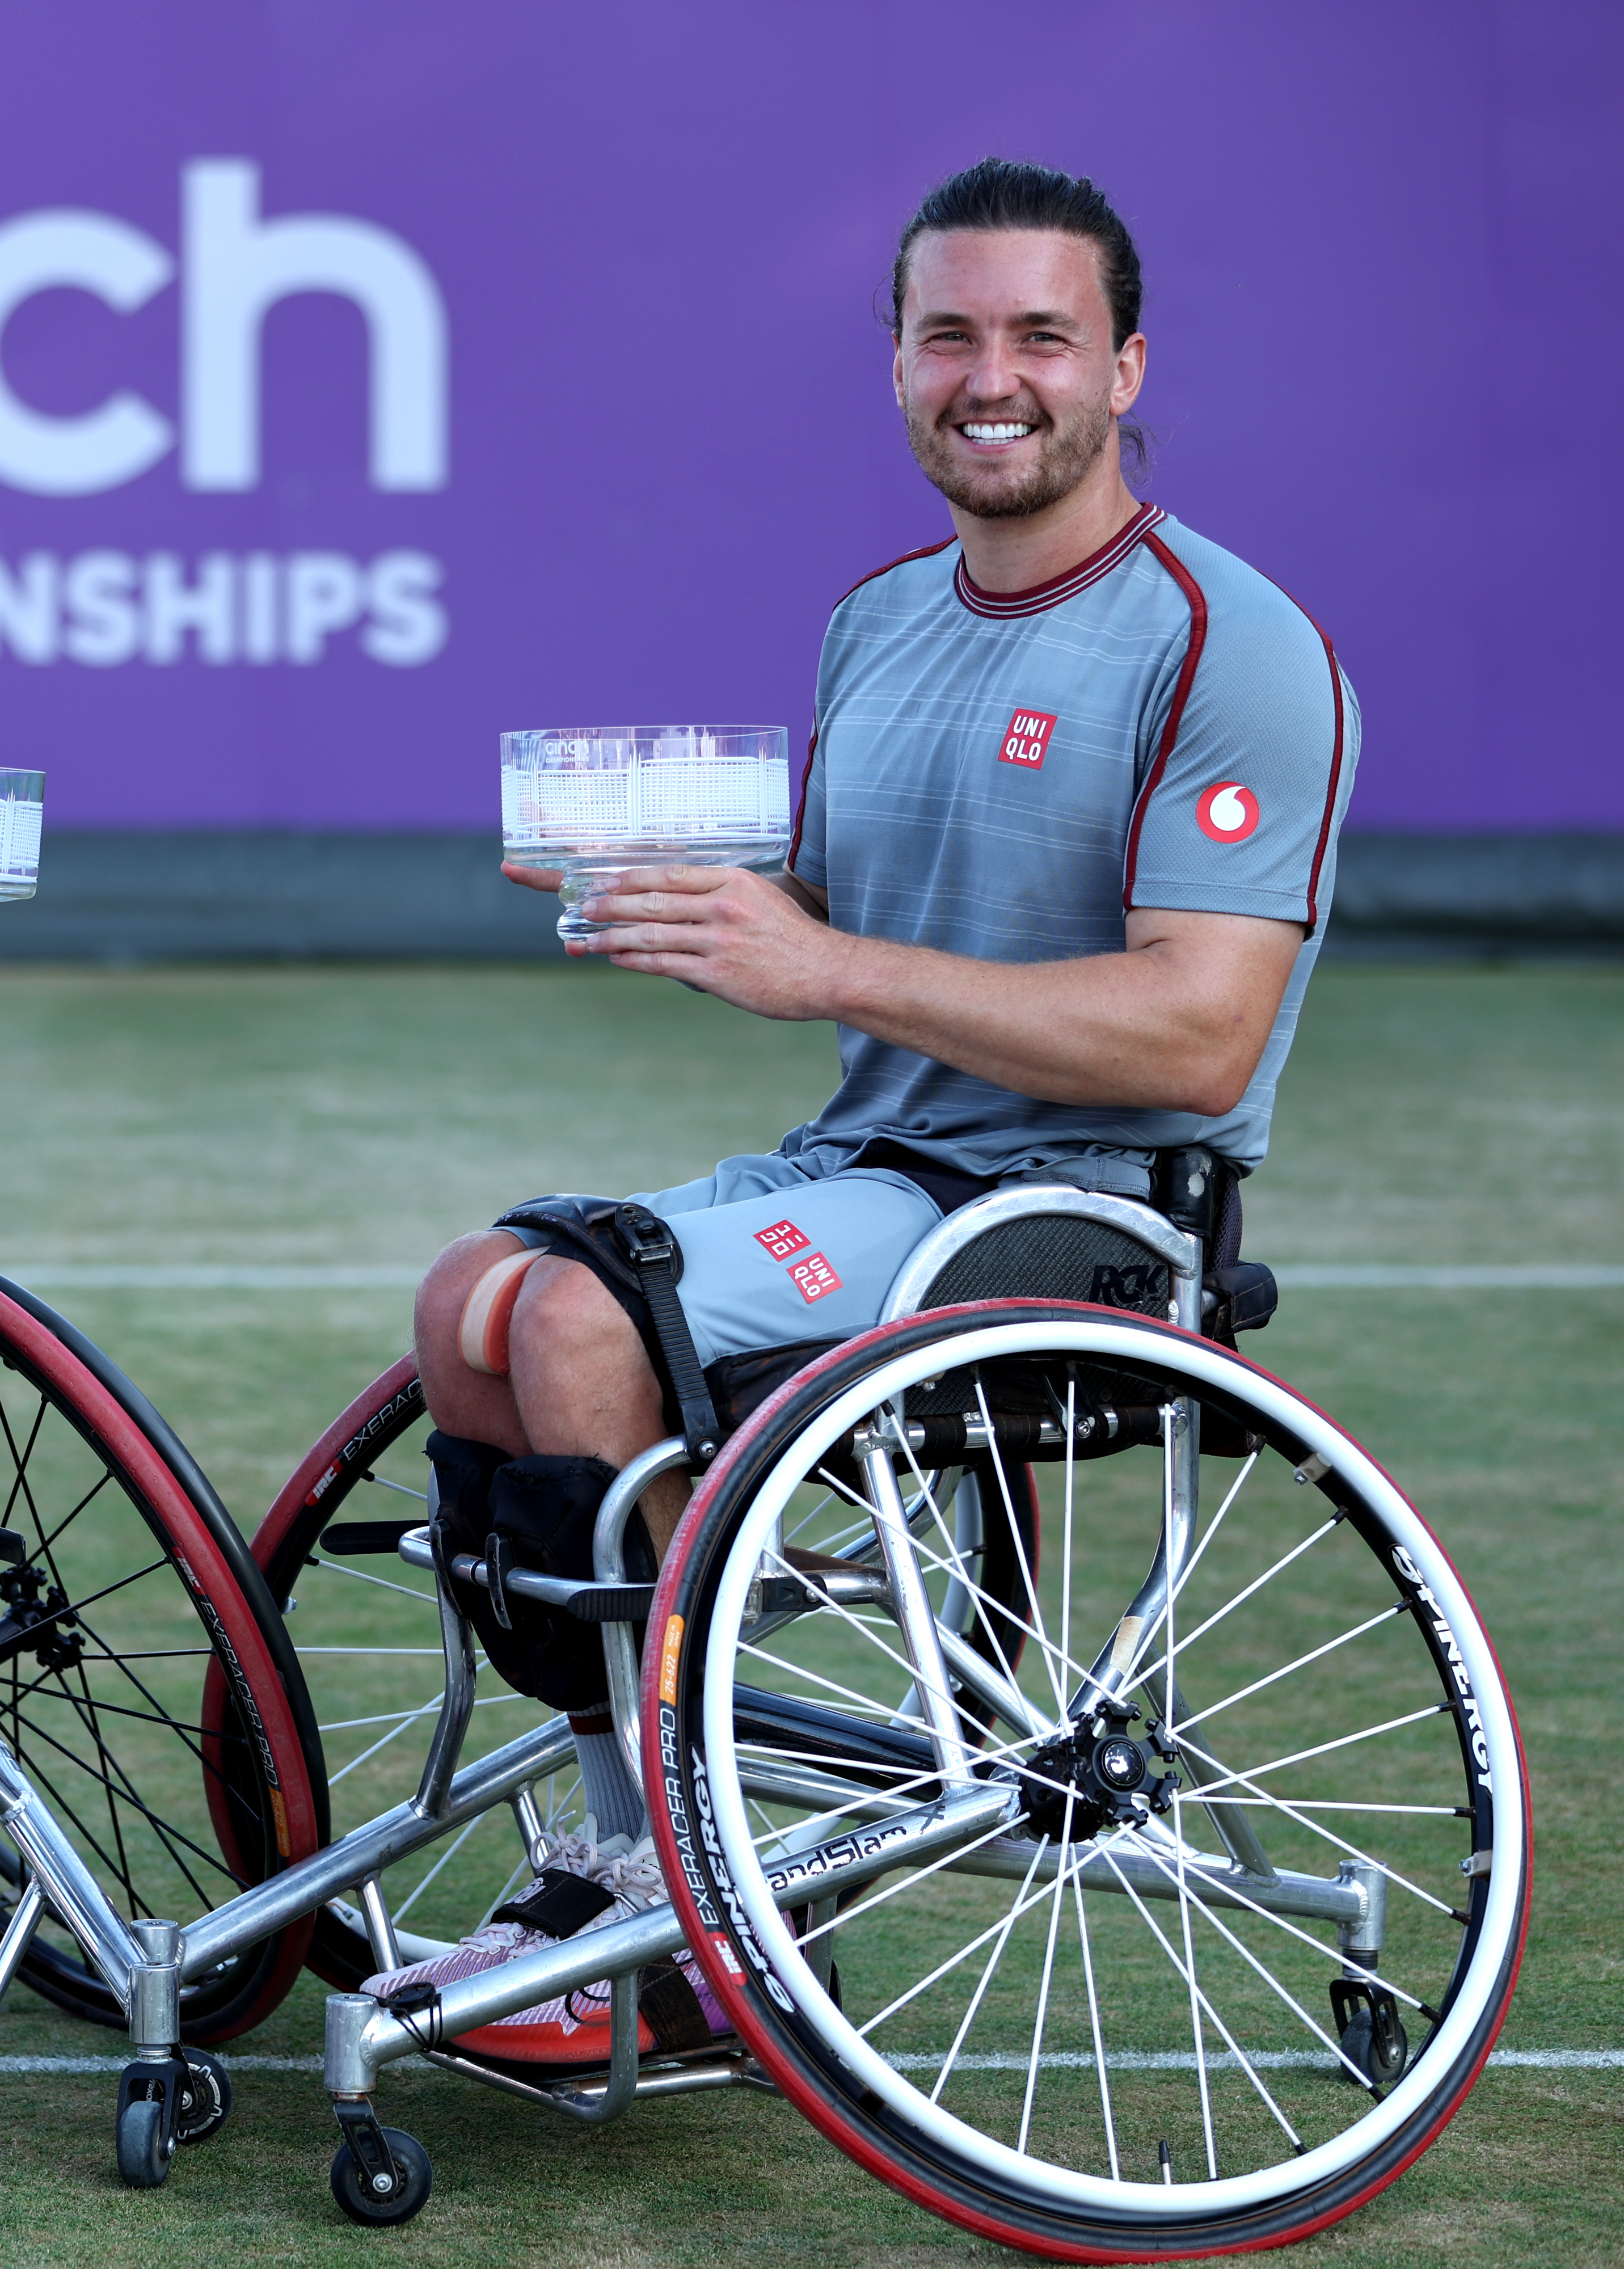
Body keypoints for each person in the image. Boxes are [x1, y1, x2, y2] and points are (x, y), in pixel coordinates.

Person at [381, 157, 1361, 2066]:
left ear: (1127, 368)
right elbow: (840, 921)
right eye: (949, 335)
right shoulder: (877, 621)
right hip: (876, 1170)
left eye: (1041, 338)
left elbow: (1200, 1039)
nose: (992, 377)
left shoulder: (1231, 643)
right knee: (467, 1306)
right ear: (900, 365)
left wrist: (818, 969)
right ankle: (635, 1830)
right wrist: (671, 882)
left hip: (1078, 1210)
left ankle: (670, 1887)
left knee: (579, 1314)